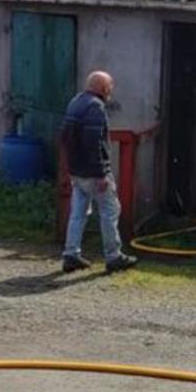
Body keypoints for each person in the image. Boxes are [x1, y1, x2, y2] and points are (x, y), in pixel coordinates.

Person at [59, 70, 138, 274]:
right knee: (110, 211)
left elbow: (65, 137)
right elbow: (94, 143)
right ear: (104, 88)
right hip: (94, 172)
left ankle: (71, 254)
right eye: (110, 86)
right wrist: (102, 173)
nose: (111, 90)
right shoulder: (96, 107)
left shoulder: (75, 102)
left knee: (78, 213)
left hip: (77, 171)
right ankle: (113, 257)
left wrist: (71, 167)